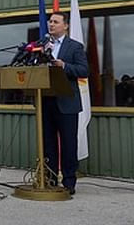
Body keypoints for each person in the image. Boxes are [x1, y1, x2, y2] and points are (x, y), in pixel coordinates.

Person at [42, 11, 89, 195]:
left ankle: (69, 182)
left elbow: (84, 70)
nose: (51, 25)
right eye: (50, 22)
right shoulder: (44, 45)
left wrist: (64, 66)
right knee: (48, 143)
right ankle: (51, 179)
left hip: (67, 102)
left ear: (65, 25)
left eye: (55, 22)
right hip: (46, 100)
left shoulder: (75, 47)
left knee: (68, 143)